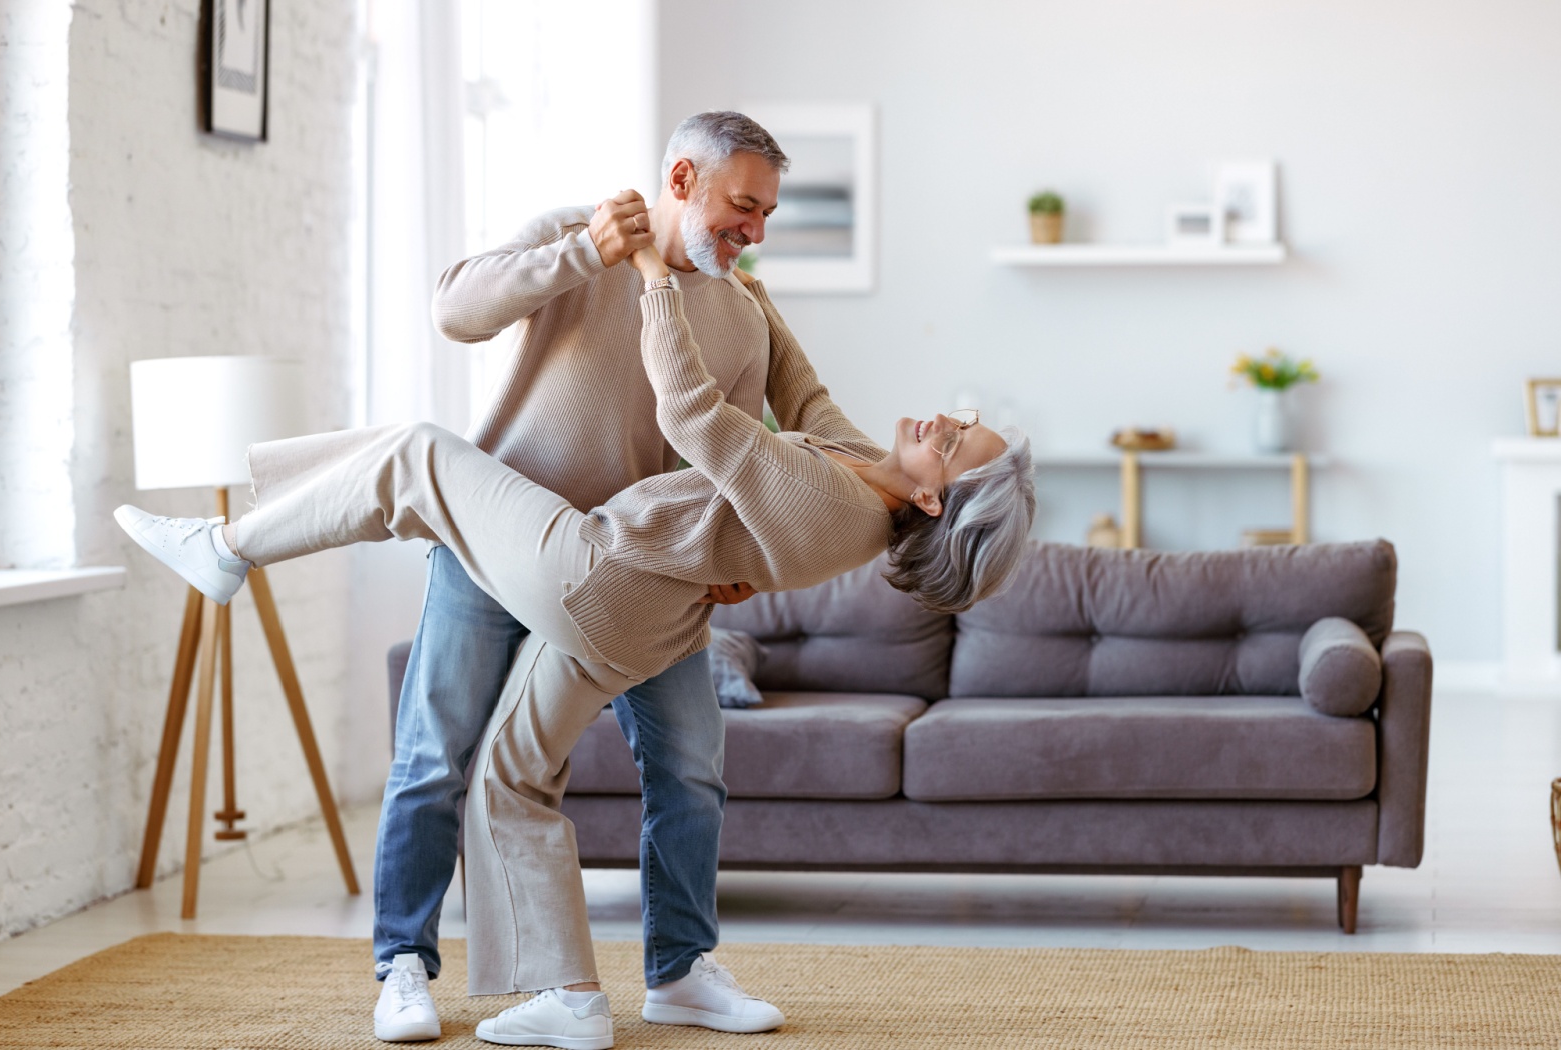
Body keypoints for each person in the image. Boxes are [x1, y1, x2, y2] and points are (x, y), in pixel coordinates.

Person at [114, 245, 1038, 1050]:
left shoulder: (834, 506)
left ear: (932, 502)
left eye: (955, 444)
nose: (941, 423)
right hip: (646, 607)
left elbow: (694, 417)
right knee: (509, 774)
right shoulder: (860, 471)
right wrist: (755, 301)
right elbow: (805, 392)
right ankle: (572, 995)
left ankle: (229, 547)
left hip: (594, 573)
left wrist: (649, 278)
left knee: (417, 457)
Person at [398, 111, 800, 1042]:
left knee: (692, 766)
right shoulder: (574, 234)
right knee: (435, 757)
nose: (756, 231)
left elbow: (729, 462)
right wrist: (581, 253)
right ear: (681, 180)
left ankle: (681, 971)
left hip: (637, 575)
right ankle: (404, 967)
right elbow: (455, 311)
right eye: (744, 205)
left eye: (768, 213)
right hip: (494, 548)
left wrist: (729, 555)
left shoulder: (740, 315)